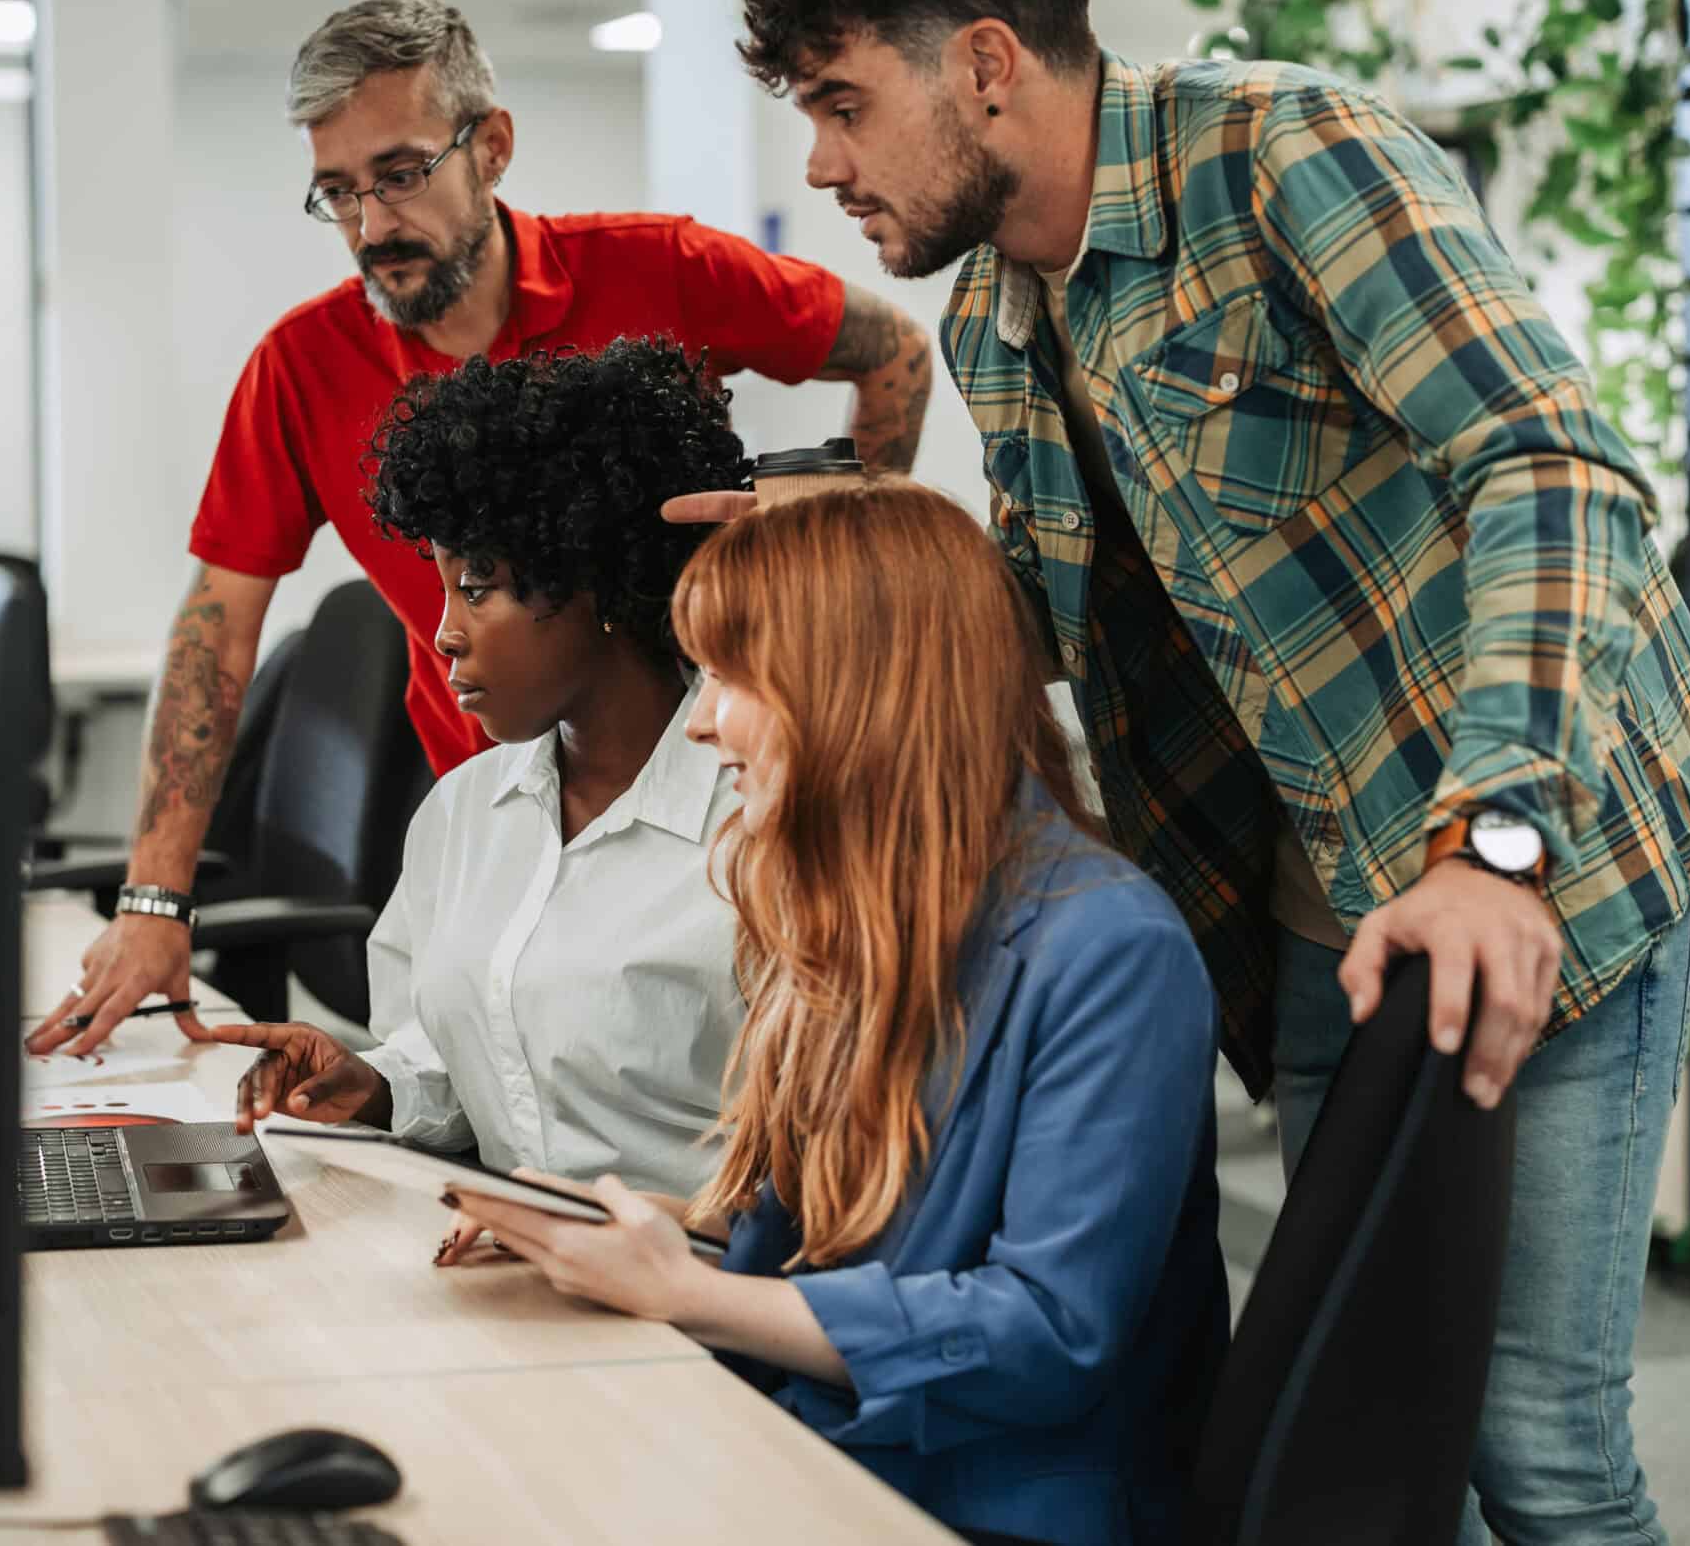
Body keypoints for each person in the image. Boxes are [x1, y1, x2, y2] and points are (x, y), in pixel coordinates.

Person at [695, 0, 1690, 1543]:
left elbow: (1552, 462)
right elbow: (1049, 618)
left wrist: (1494, 845)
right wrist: (828, 564)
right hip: (1314, 912)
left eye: (842, 104)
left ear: (986, 63)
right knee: (1380, 1423)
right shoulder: (995, 313)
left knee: (1536, 1444)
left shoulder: (1288, 158)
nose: (821, 163)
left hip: (1544, 866)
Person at [35, 0, 935, 1057]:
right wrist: (153, 904)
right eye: (337, 193)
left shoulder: (662, 269)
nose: (372, 227)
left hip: (719, 800)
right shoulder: (301, 367)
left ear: (490, 146)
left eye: (401, 174)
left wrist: (817, 544)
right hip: (493, 813)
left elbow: (896, 353)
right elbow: (216, 628)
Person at [451, 483, 1226, 1546]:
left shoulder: (1109, 951)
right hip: (824, 1447)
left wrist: (687, 1295)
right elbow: (835, 1238)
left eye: (731, 678)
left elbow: (1046, 1336)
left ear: (859, 689)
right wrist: (608, 1228)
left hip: (988, 1505)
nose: (705, 721)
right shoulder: (863, 910)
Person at [210, 338, 754, 1255]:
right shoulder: (467, 812)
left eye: (479, 588)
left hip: (713, 1302)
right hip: (523, 1272)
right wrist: (378, 1086)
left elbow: (826, 1175)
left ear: (602, 586)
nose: (443, 633)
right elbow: (472, 1058)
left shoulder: (759, 816)